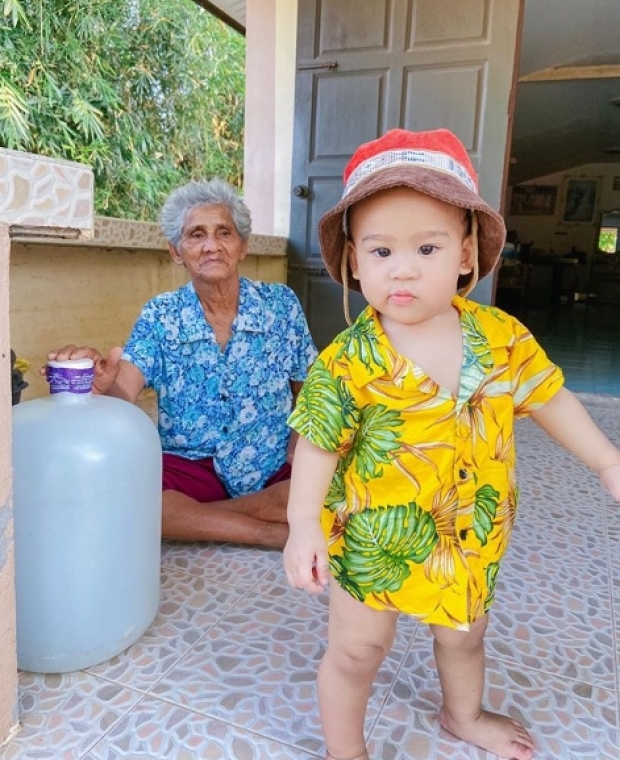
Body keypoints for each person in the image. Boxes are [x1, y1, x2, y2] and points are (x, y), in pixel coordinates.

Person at [283, 128, 620, 760]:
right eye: (380, 251)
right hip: (373, 541)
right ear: (353, 262)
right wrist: (303, 524)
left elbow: (548, 398)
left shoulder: (501, 336)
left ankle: (462, 715)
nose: (402, 268)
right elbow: (318, 444)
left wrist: (607, 460)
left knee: (464, 635)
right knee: (357, 652)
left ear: (466, 255)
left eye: (427, 247)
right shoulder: (349, 358)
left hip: (471, 532)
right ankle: (344, 751)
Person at [48, 179, 317, 549]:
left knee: (339, 489)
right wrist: (103, 386)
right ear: (176, 251)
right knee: (126, 493)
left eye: (224, 232)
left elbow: (310, 388)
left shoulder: (280, 305)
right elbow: (123, 390)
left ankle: (198, 517)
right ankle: (266, 527)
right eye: (195, 235)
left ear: (243, 247)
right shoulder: (161, 315)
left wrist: (299, 447)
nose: (211, 245)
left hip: (269, 461)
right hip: (191, 464)